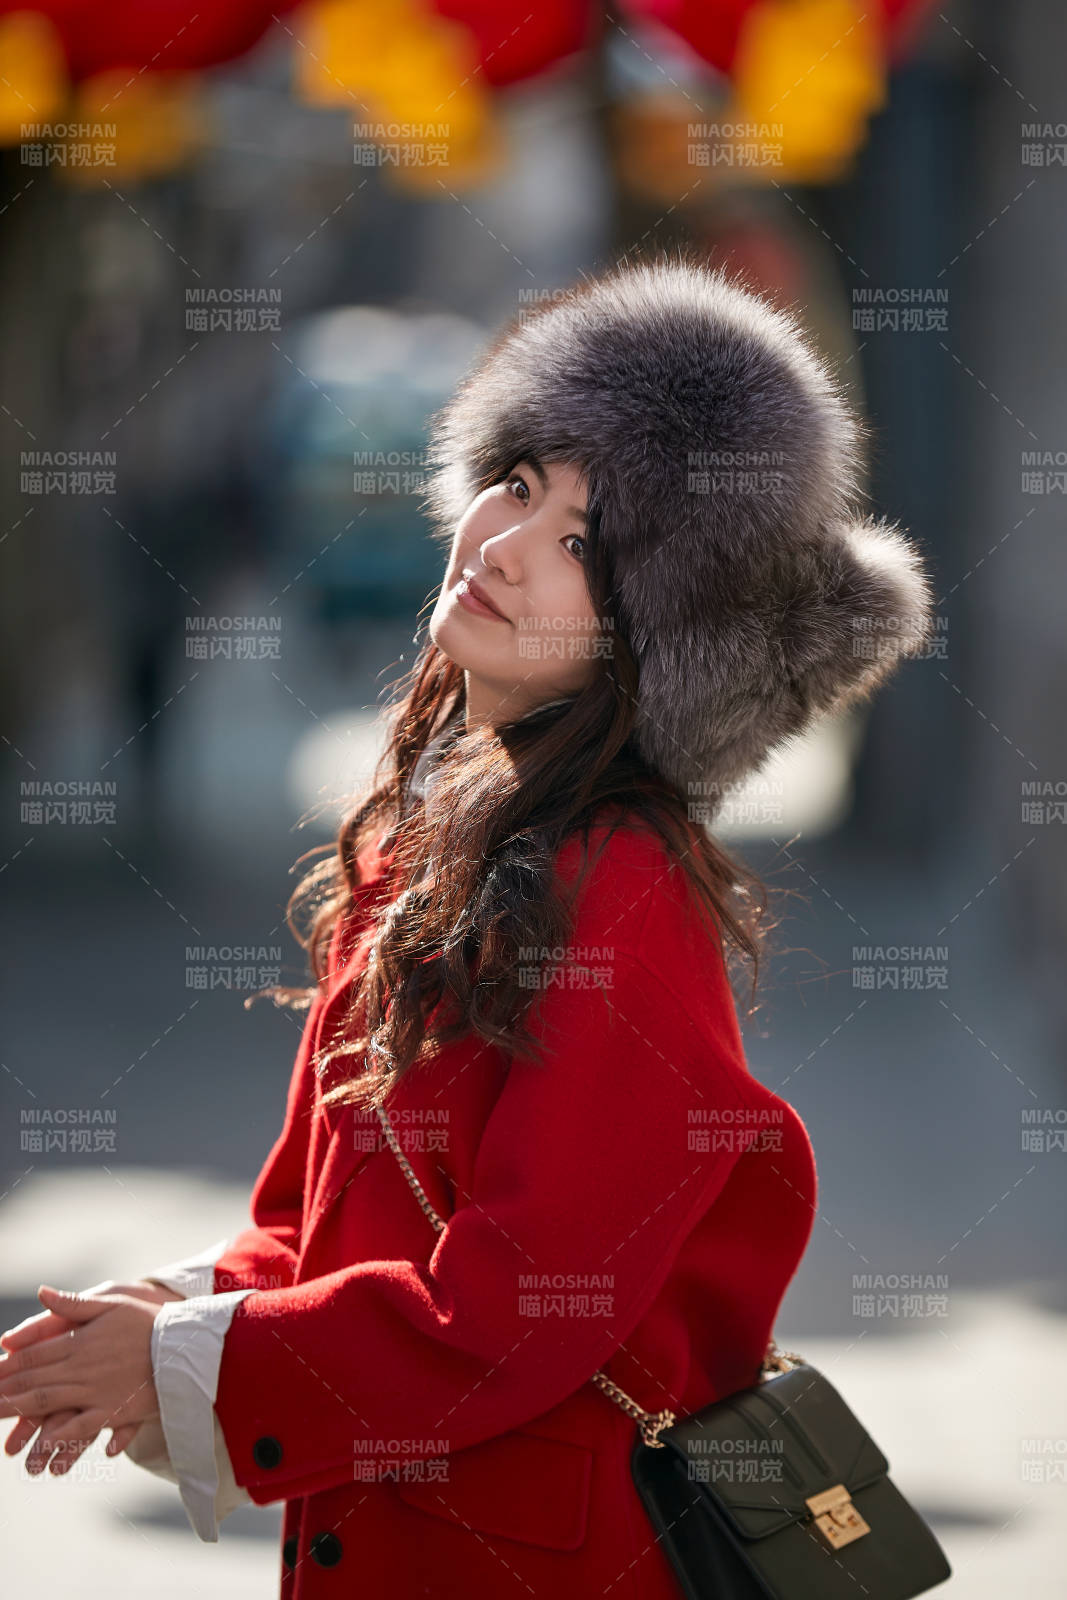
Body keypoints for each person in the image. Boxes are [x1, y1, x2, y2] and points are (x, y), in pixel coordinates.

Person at [0, 253, 932, 1599]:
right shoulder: (426, 840)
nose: (501, 546)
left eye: (579, 544)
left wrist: (201, 1361)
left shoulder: (625, 882)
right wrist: (174, 1311)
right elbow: (320, 1222)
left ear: (654, 636)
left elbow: (514, 1306)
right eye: (516, 485)